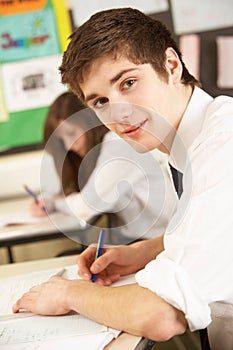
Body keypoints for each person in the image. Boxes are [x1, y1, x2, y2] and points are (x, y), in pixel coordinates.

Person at [13, 8, 233, 349]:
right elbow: (217, 232)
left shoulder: (223, 145)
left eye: (128, 83)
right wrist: (144, 252)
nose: (118, 112)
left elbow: (161, 314)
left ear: (171, 66)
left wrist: (70, 293)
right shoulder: (193, 141)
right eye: (101, 101)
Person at [30, 91, 176, 244]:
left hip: (164, 240)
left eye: (71, 133)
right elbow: (66, 190)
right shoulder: (97, 153)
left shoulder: (119, 146)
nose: (69, 145)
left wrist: (54, 204)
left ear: (89, 122)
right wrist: (46, 200)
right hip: (144, 239)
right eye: (62, 140)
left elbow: (86, 206)